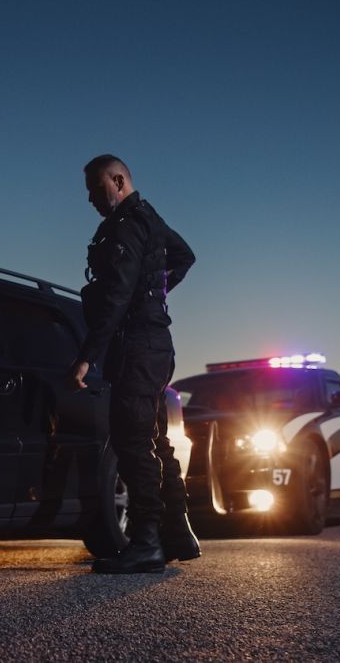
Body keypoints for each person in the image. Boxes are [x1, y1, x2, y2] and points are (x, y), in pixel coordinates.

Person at [68, 154, 199, 574]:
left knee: (131, 443)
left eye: (96, 188)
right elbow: (184, 256)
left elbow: (116, 298)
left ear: (119, 180)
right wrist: (155, 292)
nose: (91, 199)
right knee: (155, 440)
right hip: (157, 345)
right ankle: (177, 534)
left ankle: (146, 543)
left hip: (139, 347)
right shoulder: (151, 218)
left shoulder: (127, 225)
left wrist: (86, 357)